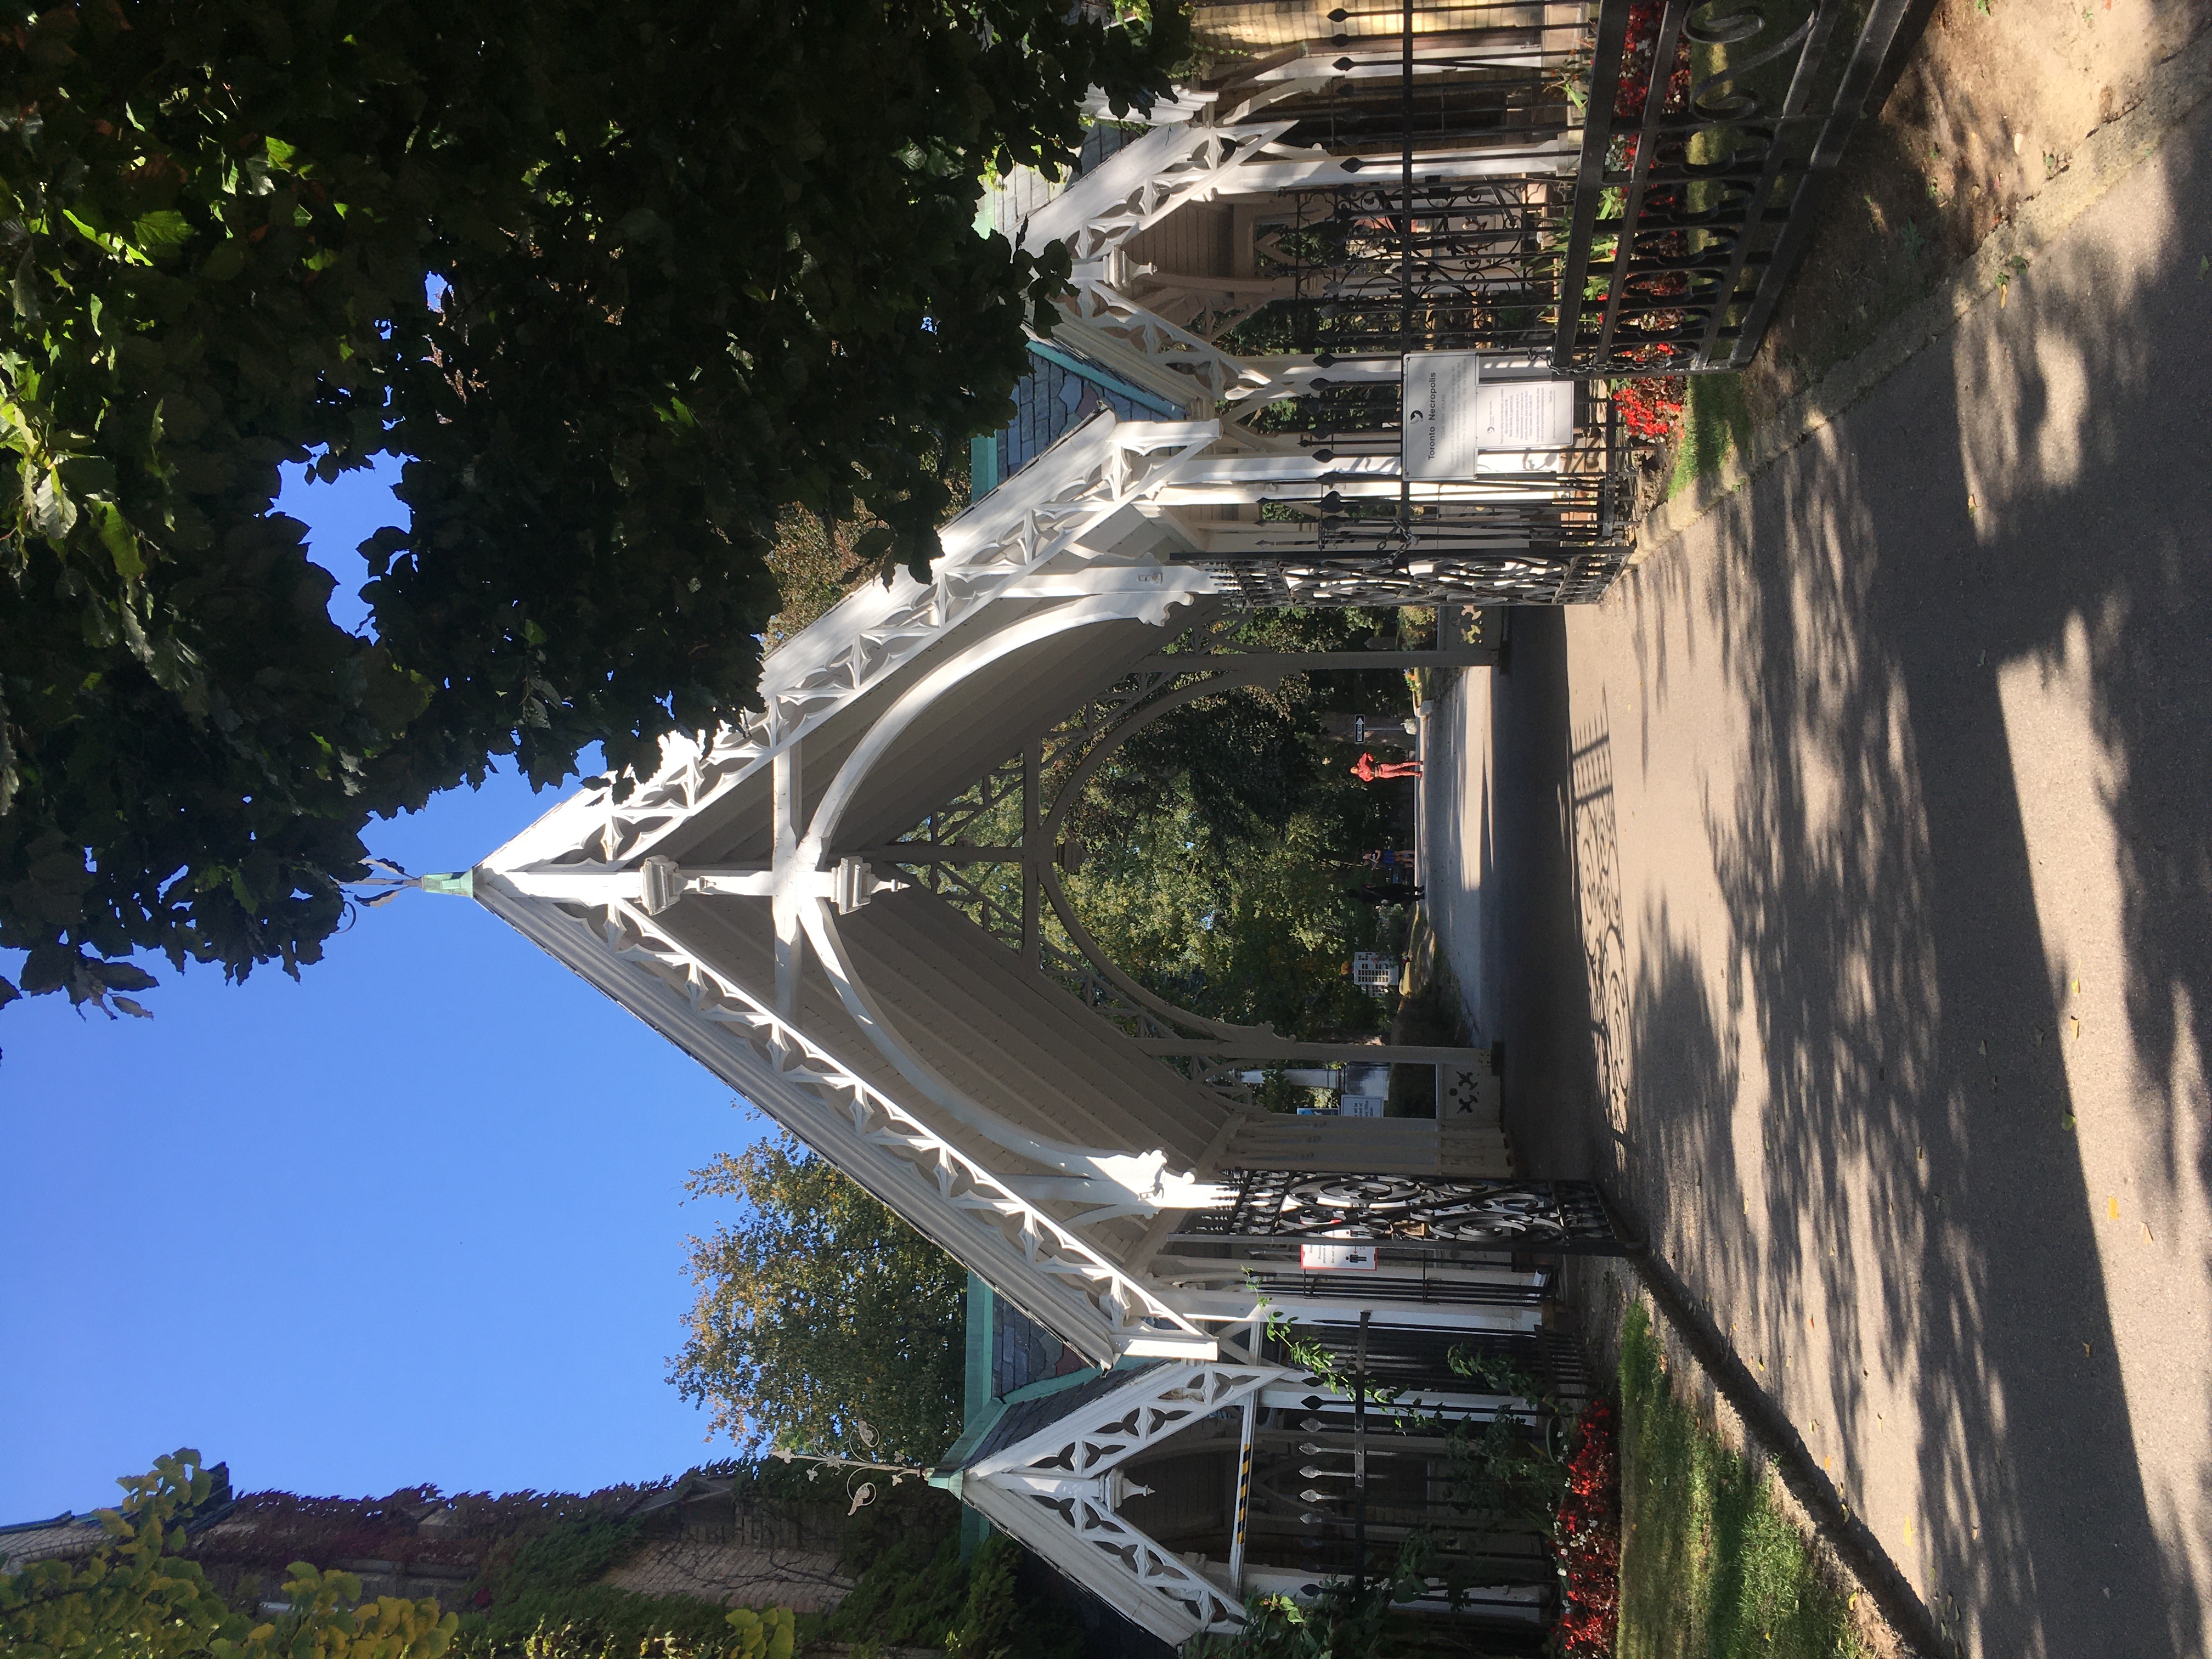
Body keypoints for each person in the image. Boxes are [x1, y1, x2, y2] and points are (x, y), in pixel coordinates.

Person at [1351, 751, 1422, 781]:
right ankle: (1416, 774)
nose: (1355, 770)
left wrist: (1371, 760)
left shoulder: (1361, 762)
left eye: (1353, 768)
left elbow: (1366, 754)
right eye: (1354, 771)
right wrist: (1371, 775)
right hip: (1382, 774)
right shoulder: (1361, 775)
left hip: (1382, 767)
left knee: (1399, 766)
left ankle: (1416, 763)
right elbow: (1367, 780)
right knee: (1399, 773)